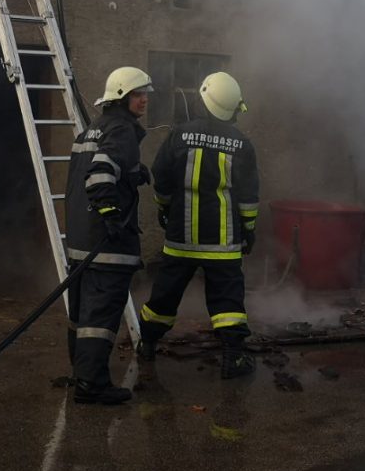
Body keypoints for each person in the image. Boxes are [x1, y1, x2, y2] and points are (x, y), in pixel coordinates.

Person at [138, 72, 259, 379]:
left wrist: (164, 209)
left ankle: (147, 344)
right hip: (223, 241)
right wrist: (249, 228)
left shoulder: (179, 135)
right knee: (227, 299)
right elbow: (248, 194)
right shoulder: (241, 144)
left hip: (181, 237)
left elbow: (161, 177)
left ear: (204, 100)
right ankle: (233, 358)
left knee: (165, 294)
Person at [63, 66, 153, 405]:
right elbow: (99, 174)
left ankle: (81, 372)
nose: (144, 100)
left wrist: (133, 172)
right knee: (100, 317)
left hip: (80, 240)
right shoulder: (122, 130)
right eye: (137, 94)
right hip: (106, 245)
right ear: (120, 97)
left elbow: (92, 169)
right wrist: (111, 213)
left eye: (145, 94)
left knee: (82, 316)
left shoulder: (92, 129)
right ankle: (92, 384)